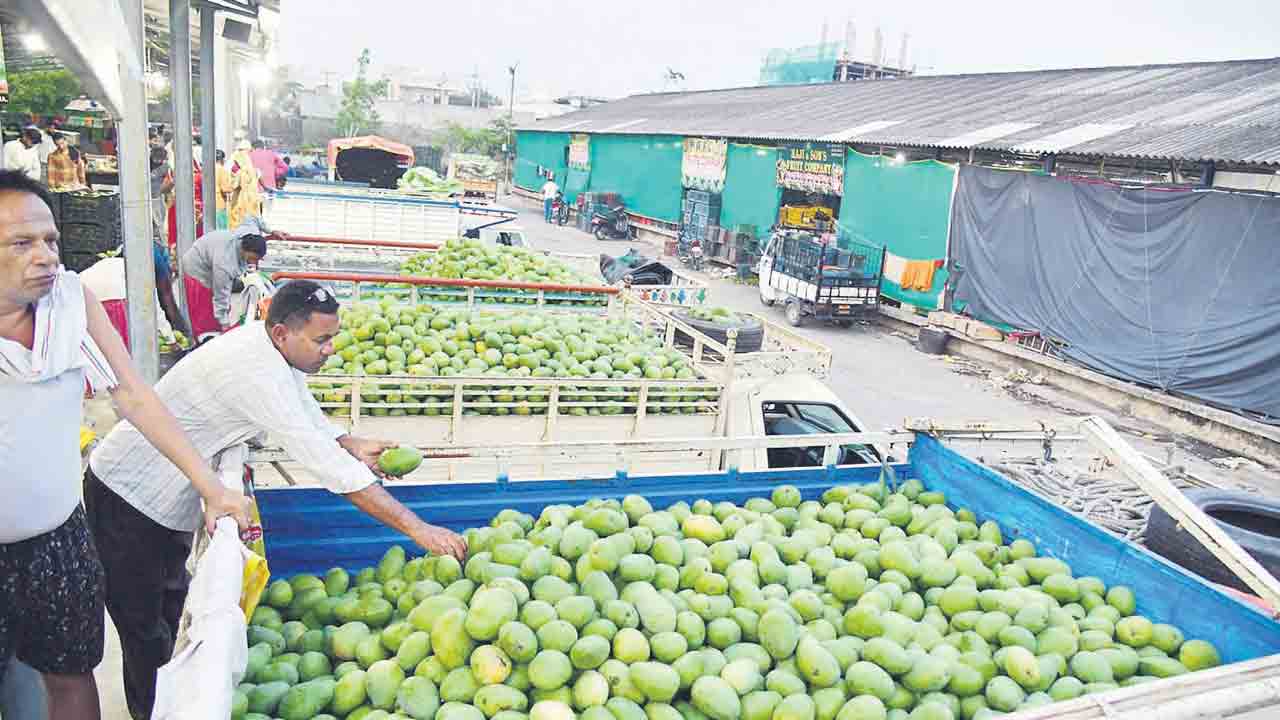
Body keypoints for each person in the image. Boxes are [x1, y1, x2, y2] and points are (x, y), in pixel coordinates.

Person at [87, 279, 467, 719]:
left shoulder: (270, 348)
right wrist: (418, 529)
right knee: (143, 629)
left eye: (334, 337)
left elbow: (303, 409)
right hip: (127, 494)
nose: (331, 349)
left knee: (172, 612)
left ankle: (171, 703)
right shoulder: (255, 371)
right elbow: (331, 469)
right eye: (322, 340)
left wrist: (349, 440)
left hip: (169, 500)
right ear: (285, 333)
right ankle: (150, 712)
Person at [0, 169, 253, 720]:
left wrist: (210, 487)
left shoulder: (71, 302)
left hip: (56, 538)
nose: (44, 256)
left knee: (72, 673)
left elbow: (134, 397)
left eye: (50, 241)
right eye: (21, 243)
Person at [80, 243, 189, 348]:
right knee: (120, 348)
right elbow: (155, 309)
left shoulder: (111, 263)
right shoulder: (143, 271)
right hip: (113, 299)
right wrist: (169, 338)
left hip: (84, 295)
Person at [181, 217, 270, 338]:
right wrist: (225, 324)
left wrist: (271, 231)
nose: (253, 262)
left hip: (212, 255)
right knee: (205, 315)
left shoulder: (249, 232)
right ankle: (202, 339)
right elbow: (220, 294)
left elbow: (252, 219)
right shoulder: (225, 264)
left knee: (221, 302)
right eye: (252, 258)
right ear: (244, 250)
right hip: (196, 268)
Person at [228, 141, 262, 229]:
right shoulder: (250, 167)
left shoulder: (239, 164)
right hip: (249, 201)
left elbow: (233, 185)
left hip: (242, 201)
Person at [214, 149, 234, 229]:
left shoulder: (206, 169)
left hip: (208, 204)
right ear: (222, 159)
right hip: (219, 204)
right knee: (221, 229)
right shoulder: (222, 170)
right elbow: (225, 188)